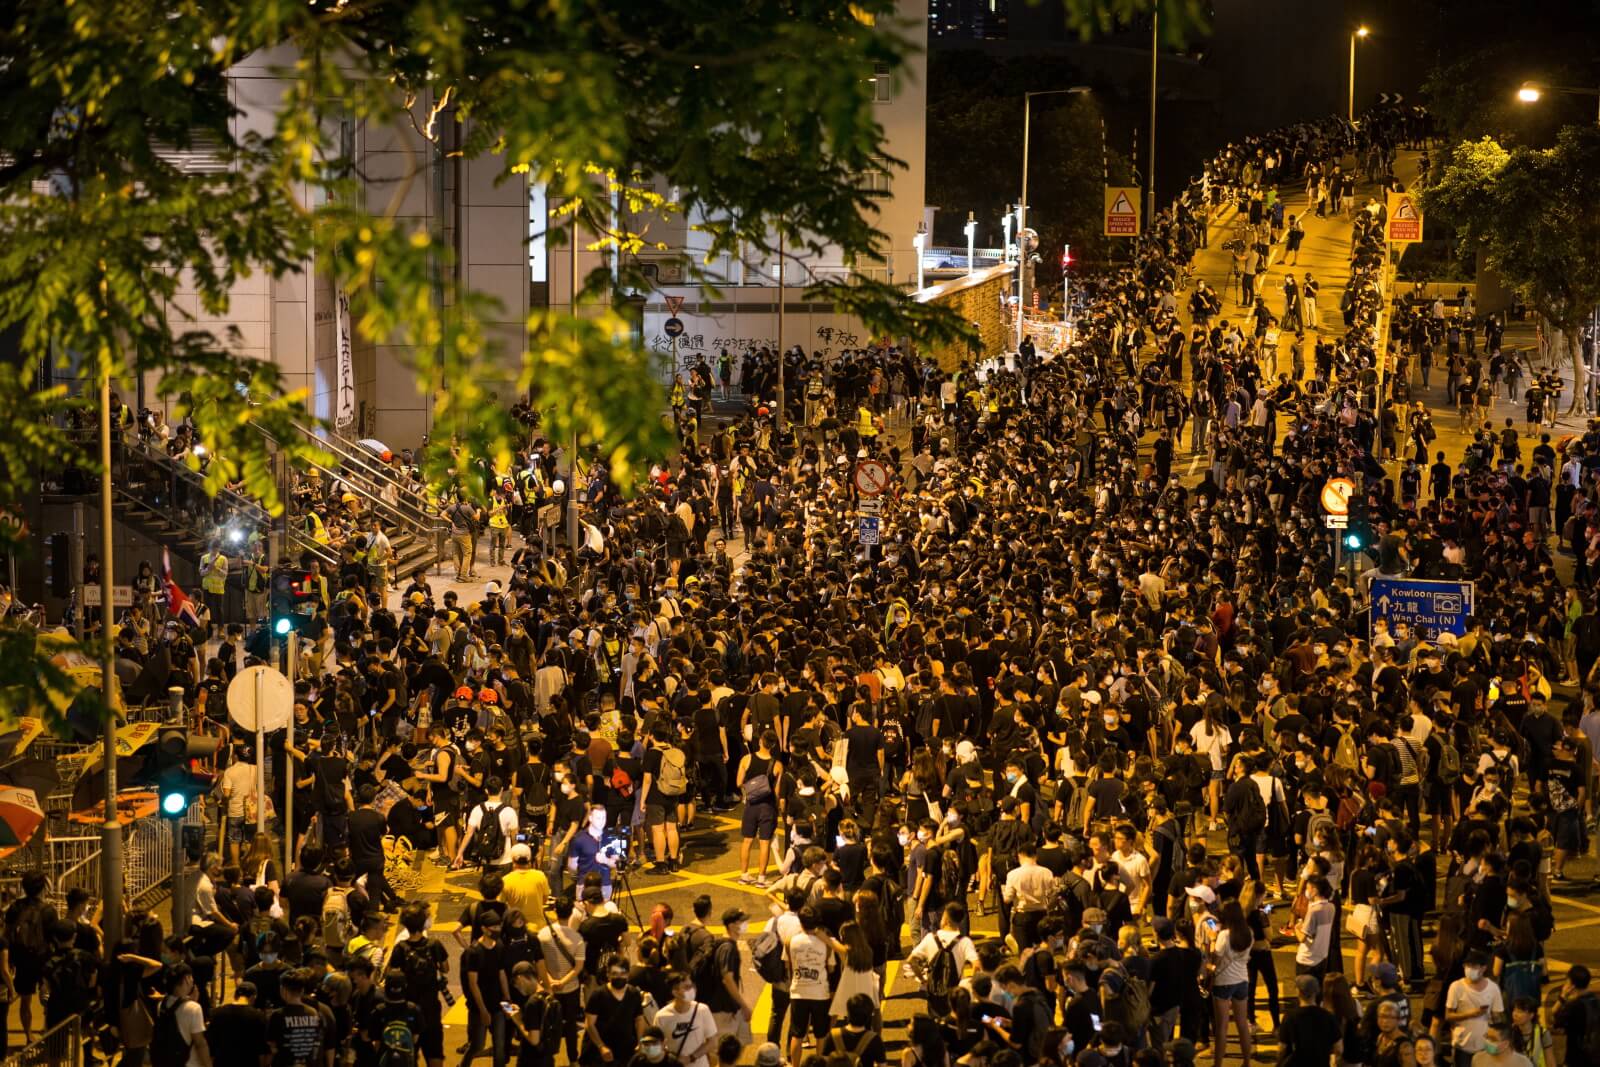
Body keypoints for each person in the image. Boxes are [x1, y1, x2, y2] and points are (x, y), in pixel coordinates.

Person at [584, 954, 647, 1066]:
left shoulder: (634, 994)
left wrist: (640, 1041)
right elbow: (589, 1024)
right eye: (615, 974)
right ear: (608, 975)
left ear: (628, 974)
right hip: (602, 1052)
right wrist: (601, 1046)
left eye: (623, 973)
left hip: (625, 1050)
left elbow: (639, 1019)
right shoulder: (598, 995)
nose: (619, 977)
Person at [1446, 952, 1504, 1067]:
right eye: (1467, 966)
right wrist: (1471, 1014)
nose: (1469, 969)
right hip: (1463, 1046)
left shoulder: (1493, 988)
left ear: (1483, 968)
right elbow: (1448, 1016)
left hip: (1485, 1047)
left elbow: (1498, 1017)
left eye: (1473, 966)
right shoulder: (1456, 987)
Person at [654, 971, 719, 1067]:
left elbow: (712, 1042)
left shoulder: (702, 1010)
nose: (691, 989)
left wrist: (691, 1058)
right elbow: (657, 1046)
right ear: (675, 992)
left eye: (692, 986)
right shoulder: (661, 1017)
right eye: (686, 987)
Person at [152, 964, 210, 1067]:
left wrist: (190, 1001)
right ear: (186, 979)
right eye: (191, 977)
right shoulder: (194, 1008)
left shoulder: (161, 1005)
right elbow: (200, 1044)